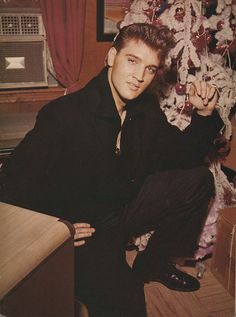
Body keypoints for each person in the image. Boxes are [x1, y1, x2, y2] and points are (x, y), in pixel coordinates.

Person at [0, 23, 223, 317]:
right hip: (88, 227)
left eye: (150, 69)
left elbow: (181, 154)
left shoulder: (145, 108)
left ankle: (152, 262)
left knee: (198, 180)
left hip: (125, 206)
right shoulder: (64, 116)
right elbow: (11, 186)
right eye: (132, 61)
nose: (139, 77)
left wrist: (205, 115)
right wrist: (56, 226)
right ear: (111, 57)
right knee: (127, 299)